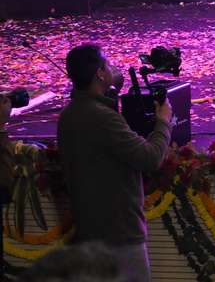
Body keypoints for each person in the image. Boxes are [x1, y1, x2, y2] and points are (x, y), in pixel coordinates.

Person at [56, 44, 173, 282]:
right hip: (118, 237)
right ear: (100, 73)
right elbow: (150, 158)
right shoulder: (102, 118)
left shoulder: (70, 114)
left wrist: (110, 90)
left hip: (90, 232)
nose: (113, 68)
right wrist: (163, 122)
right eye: (107, 64)